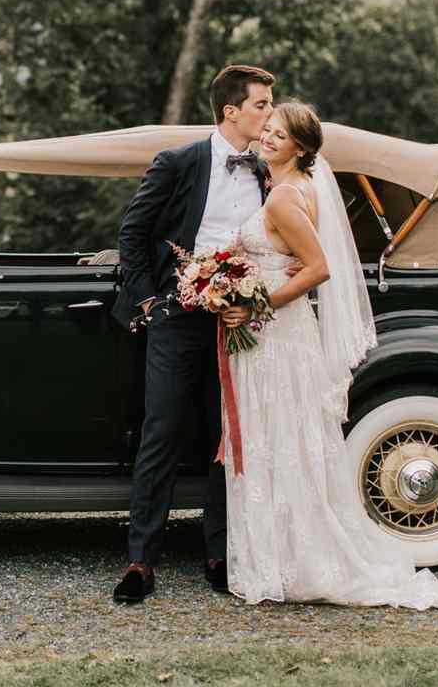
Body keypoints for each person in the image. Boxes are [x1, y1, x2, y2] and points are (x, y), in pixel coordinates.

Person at [217, 102, 438, 610]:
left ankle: (288, 562)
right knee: (289, 440)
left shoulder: (284, 197)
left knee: (276, 440)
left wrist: (253, 303)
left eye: (281, 135)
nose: (269, 138)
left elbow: (318, 268)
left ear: (301, 148)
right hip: (284, 334)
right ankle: (290, 553)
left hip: (273, 335)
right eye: (269, 129)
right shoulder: (295, 187)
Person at [110, 64, 276, 604]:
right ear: (231, 111)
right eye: (261, 105)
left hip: (239, 321)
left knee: (226, 438)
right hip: (177, 316)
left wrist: (249, 301)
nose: (270, 114)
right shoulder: (179, 162)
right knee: (161, 431)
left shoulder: (269, 171)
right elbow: (133, 233)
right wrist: (150, 303)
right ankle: (141, 561)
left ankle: (219, 552)